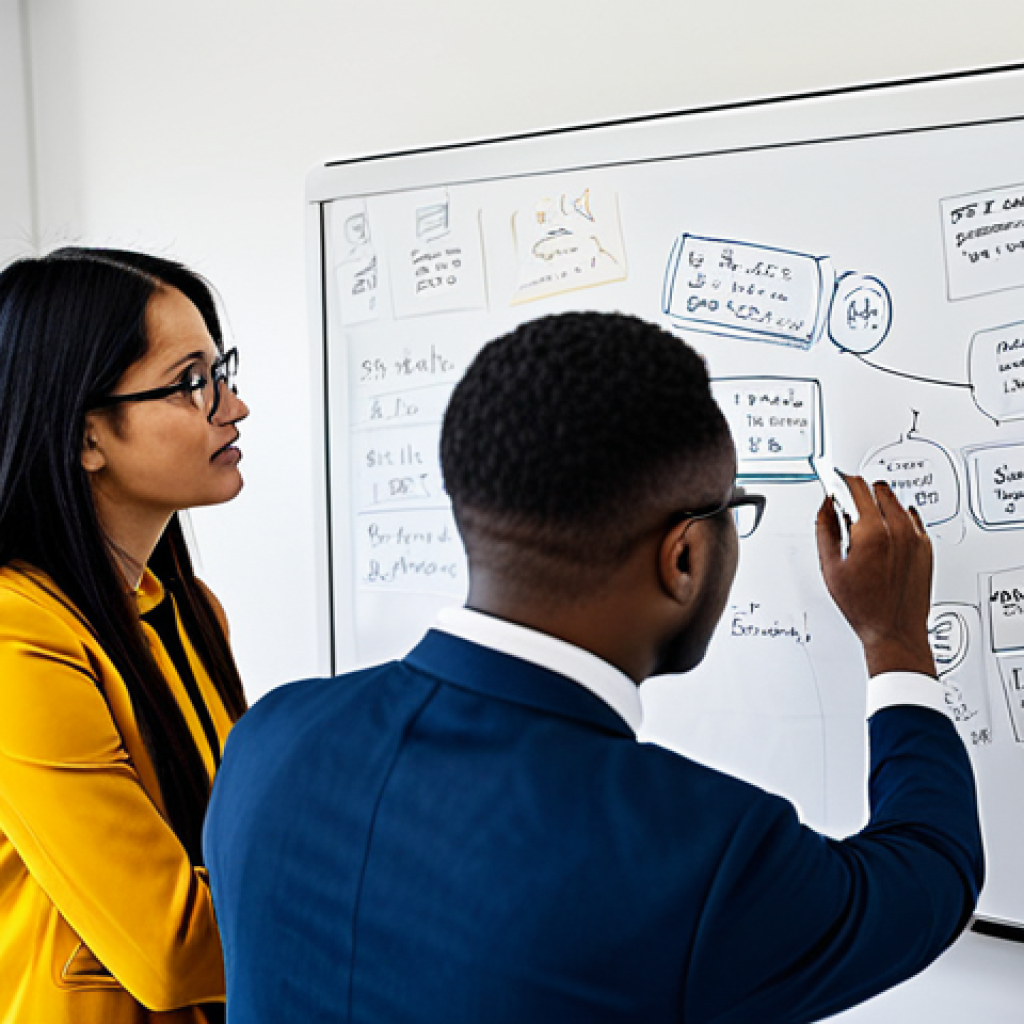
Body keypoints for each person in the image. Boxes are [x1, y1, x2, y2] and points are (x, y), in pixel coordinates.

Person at [205, 311, 982, 1023]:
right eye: (734, 511)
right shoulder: (697, 854)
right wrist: (896, 642)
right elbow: (930, 873)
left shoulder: (269, 739)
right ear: (683, 557)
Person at [0, 247, 250, 1024]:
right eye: (191, 384)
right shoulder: (15, 635)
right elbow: (168, 946)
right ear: (86, 439)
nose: (233, 406)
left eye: (223, 371)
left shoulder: (185, 608)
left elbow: (230, 840)